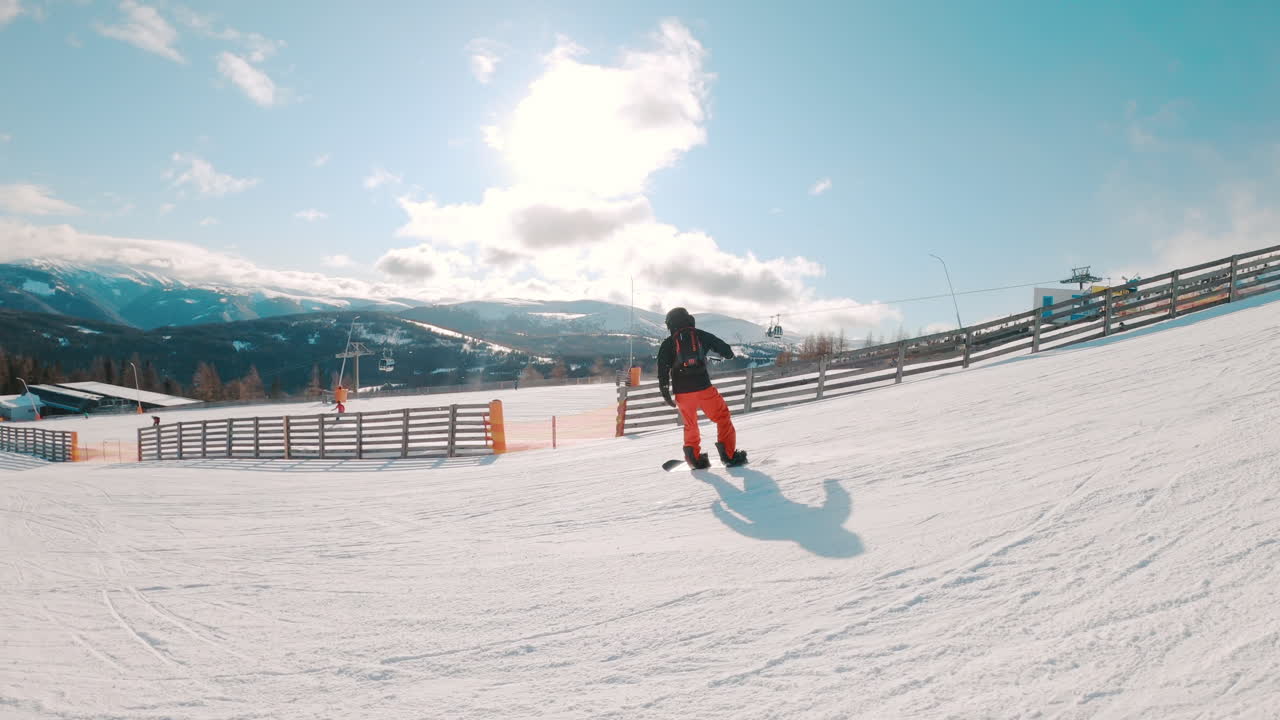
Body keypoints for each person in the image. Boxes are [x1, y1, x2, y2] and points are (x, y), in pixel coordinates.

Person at [657, 307, 747, 469]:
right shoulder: (700, 335)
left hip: (682, 393)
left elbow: (662, 370)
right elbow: (727, 351)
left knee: (690, 424)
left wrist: (665, 392)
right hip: (704, 388)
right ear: (689, 319)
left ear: (670, 324)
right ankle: (729, 455)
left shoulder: (668, 343)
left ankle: (695, 459)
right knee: (722, 417)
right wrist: (724, 355)